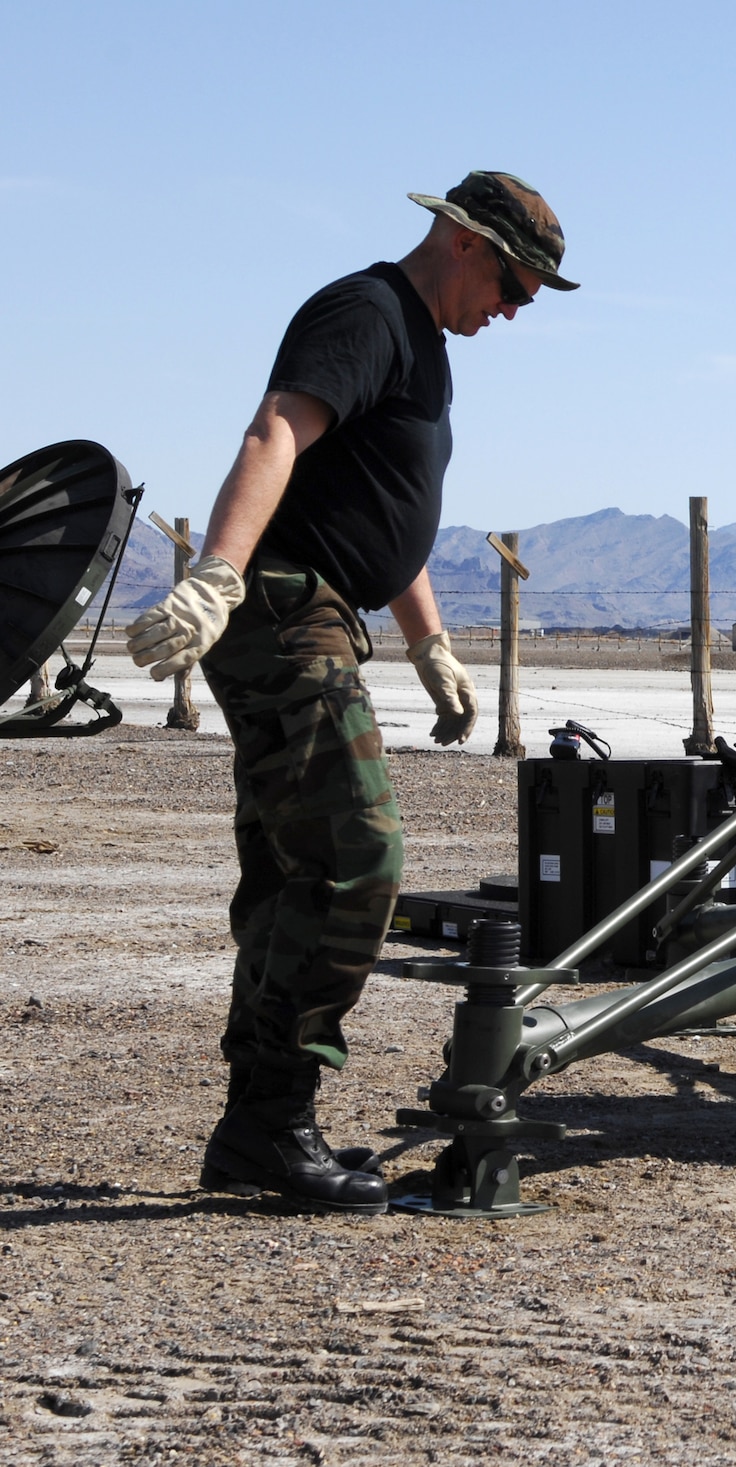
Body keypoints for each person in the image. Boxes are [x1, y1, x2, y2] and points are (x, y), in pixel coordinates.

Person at [125, 171, 578, 1213]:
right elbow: (276, 432)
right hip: (284, 607)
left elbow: (384, 505)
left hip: (325, 610)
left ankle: (258, 1131)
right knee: (355, 856)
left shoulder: (423, 347)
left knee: (295, 870)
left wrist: (429, 645)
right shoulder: (367, 313)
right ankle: (273, 1126)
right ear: (465, 243)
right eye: (512, 288)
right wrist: (218, 574)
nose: (509, 314)